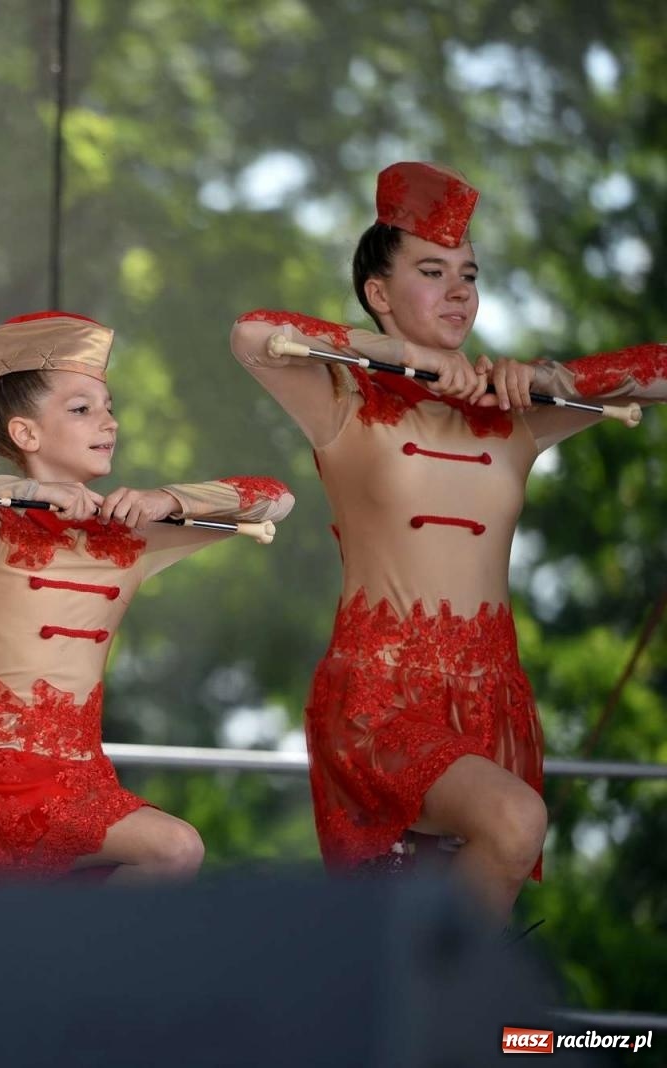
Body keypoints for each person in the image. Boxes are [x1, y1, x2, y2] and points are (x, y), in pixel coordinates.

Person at [230, 161, 667, 922]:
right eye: (432, 272)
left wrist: (548, 374)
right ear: (378, 295)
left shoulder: (517, 414)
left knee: (430, 916)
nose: (460, 290)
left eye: (469, 274)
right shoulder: (343, 400)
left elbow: (655, 370)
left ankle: (429, 1026)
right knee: (515, 821)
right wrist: (415, 361)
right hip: (378, 698)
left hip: (489, 699)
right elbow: (254, 334)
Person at [0, 310, 294, 886]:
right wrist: (31, 492)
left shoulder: (132, 536)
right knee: (174, 849)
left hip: (84, 777)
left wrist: (168, 500)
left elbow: (274, 501)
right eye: (81, 409)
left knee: (34, 954)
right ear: (26, 434)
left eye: (109, 408)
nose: (107, 422)